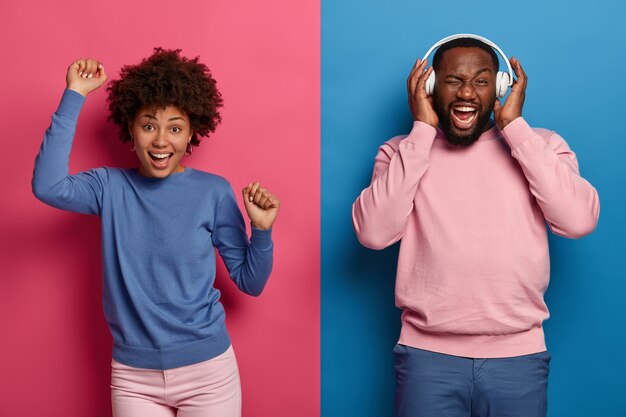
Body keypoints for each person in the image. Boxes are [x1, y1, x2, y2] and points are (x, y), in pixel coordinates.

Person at [352, 35, 599, 417]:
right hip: (426, 358)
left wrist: (516, 128)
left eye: (482, 81)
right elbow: (372, 233)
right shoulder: (401, 152)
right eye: (453, 80)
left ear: (500, 88)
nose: (467, 92)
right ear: (429, 86)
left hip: (518, 359)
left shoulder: (542, 146)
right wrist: (420, 132)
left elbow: (579, 220)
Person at [32, 48, 280, 417]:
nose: (161, 141)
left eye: (175, 128)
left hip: (208, 373)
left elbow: (250, 282)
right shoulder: (108, 187)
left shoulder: (213, 192)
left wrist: (261, 231)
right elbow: (47, 186)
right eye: (148, 126)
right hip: (134, 378)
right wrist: (75, 94)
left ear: (192, 133)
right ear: (130, 130)